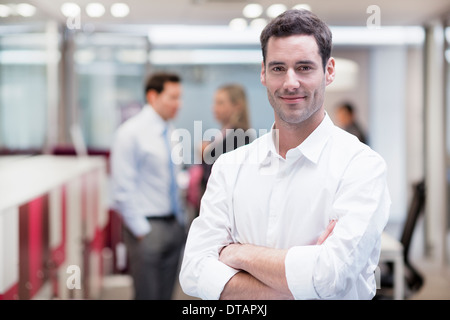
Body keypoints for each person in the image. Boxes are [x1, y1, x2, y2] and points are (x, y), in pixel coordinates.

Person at [179, 9, 391, 300]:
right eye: (278, 68)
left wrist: (237, 254)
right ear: (264, 73)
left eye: (304, 67)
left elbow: (329, 277)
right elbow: (193, 272)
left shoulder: (361, 167)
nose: (291, 82)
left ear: (328, 71)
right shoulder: (230, 167)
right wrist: (301, 281)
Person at [111, 72, 186, 300]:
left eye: (179, 97)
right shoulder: (129, 133)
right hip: (147, 229)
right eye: (172, 97)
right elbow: (122, 189)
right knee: (147, 295)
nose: (178, 104)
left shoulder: (171, 131)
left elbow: (172, 178)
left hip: (173, 226)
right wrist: (142, 231)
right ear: (153, 96)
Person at [201, 83, 253, 194]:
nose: (214, 108)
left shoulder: (241, 137)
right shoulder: (222, 134)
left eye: (220, 103)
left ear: (237, 106)